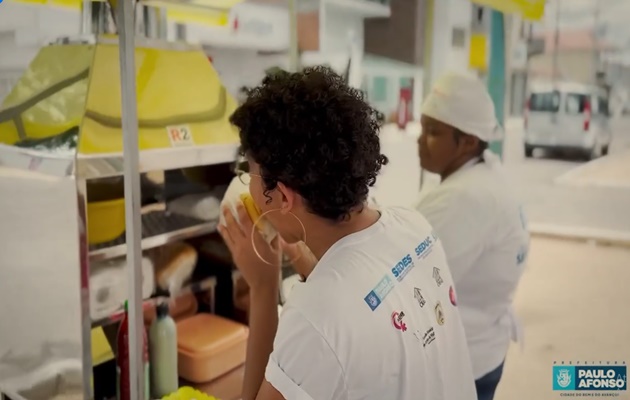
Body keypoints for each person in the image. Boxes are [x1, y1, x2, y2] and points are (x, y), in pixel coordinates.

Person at [218, 66, 477, 400]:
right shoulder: (413, 225)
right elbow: (366, 296)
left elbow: (334, 318)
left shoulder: (314, 321)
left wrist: (263, 288)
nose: (247, 184)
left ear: (282, 196)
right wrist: (300, 254)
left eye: (248, 172)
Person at [415, 71, 530, 400]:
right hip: (485, 345)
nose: (420, 140)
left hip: (464, 360)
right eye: (423, 129)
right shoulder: (487, 172)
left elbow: (411, 285)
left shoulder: (463, 198)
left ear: (467, 141)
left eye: (433, 132)